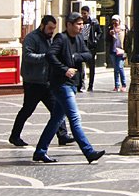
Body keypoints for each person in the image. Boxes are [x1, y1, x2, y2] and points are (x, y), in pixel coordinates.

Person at [32, 12, 105, 164]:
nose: (81, 27)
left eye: (81, 24)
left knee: (56, 120)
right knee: (74, 118)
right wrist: (65, 69)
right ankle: (88, 151)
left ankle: (40, 151)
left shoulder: (79, 38)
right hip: (61, 84)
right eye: (78, 24)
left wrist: (75, 57)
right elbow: (51, 55)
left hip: (72, 84)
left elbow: (88, 55)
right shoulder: (61, 38)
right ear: (69, 25)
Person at [10, 15, 72, 147]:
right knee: (27, 109)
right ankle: (14, 136)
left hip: (47, 81)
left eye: (53, 29)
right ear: (42, 26)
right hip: (33, 81)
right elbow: (28, 56)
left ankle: (63, 136)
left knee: (57, 109)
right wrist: (47, 57)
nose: (51, 31)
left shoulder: (51, 39)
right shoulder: (31, 38)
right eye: (49, 28)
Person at [79, 5, 103, 91]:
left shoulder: (93, 22)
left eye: (84, 13)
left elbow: (100, 32)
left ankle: (91, 85)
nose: (83, 15)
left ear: (88, 13)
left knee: (91, 66)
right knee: (81, 66)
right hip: (82, 46)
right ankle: (81, 84)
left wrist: (96, 40)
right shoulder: (80, 22)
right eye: (82, 13)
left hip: (91, 47)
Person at [107, 15, 127, 92]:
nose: (115, 22)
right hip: (113, 51)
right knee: (116, 69)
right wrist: (110, 34)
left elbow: (126, 41)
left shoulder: (124, 29)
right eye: (113, 21)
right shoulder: (110, 29)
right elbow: (107, 40)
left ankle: (124, 84)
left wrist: (126, 52)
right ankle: (116, 85)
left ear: (119, 21)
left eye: (116, 21)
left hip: (121, 51)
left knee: (120, 67)